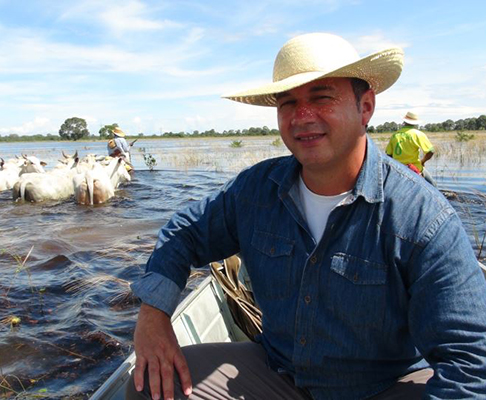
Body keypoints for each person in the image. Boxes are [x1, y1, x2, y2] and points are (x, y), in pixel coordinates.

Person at [127, 33, 486, 400]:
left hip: (383, 387)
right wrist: (154, 313)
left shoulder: (421, 217)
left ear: (365, 107)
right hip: (281, 375)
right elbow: (184, 231)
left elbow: (470, 361)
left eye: (322, 97)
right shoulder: (255, 191)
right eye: (288, 103)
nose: (302, 116)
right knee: (150, 386)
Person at [385, 112, 436, 185]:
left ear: (404, 121)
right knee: (433, 185)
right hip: (414, 169)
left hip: (398, 170)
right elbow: (431, 151)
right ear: (415, 123)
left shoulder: (395, 135)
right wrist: (422, 162)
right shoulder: (418, 134)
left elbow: (388, 155)